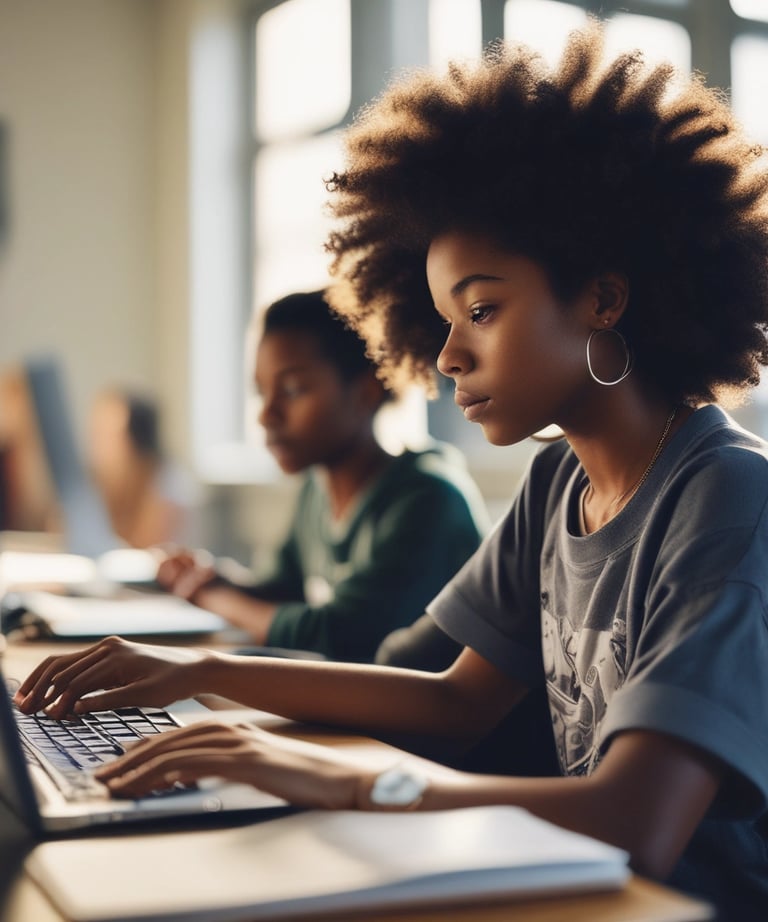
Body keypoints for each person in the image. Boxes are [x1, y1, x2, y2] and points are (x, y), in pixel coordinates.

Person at [14, 20, 768, 918]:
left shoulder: (728, 496)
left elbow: (637, 821)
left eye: (481, 311)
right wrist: (195, 673)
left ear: (603, 298)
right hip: (561, 883)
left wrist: (342, 782)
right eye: (444, 319)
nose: (447, 356)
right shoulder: (559, 482)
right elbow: (455, 700)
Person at [154, 289, 488, 662]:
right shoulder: (317, 487)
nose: (266, 415)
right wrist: (212, 579)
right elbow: (284, 588)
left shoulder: (428, 499)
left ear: (364, 392)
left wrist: (214, 597)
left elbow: (340, 636)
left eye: (292, 389)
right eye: (262, 392)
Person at [88, 387, 199, 549]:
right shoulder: (101, 479)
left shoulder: (169, 484)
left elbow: (147, 547)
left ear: (137, 438)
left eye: (109, 434)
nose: (98, 443)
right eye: (97, 432)